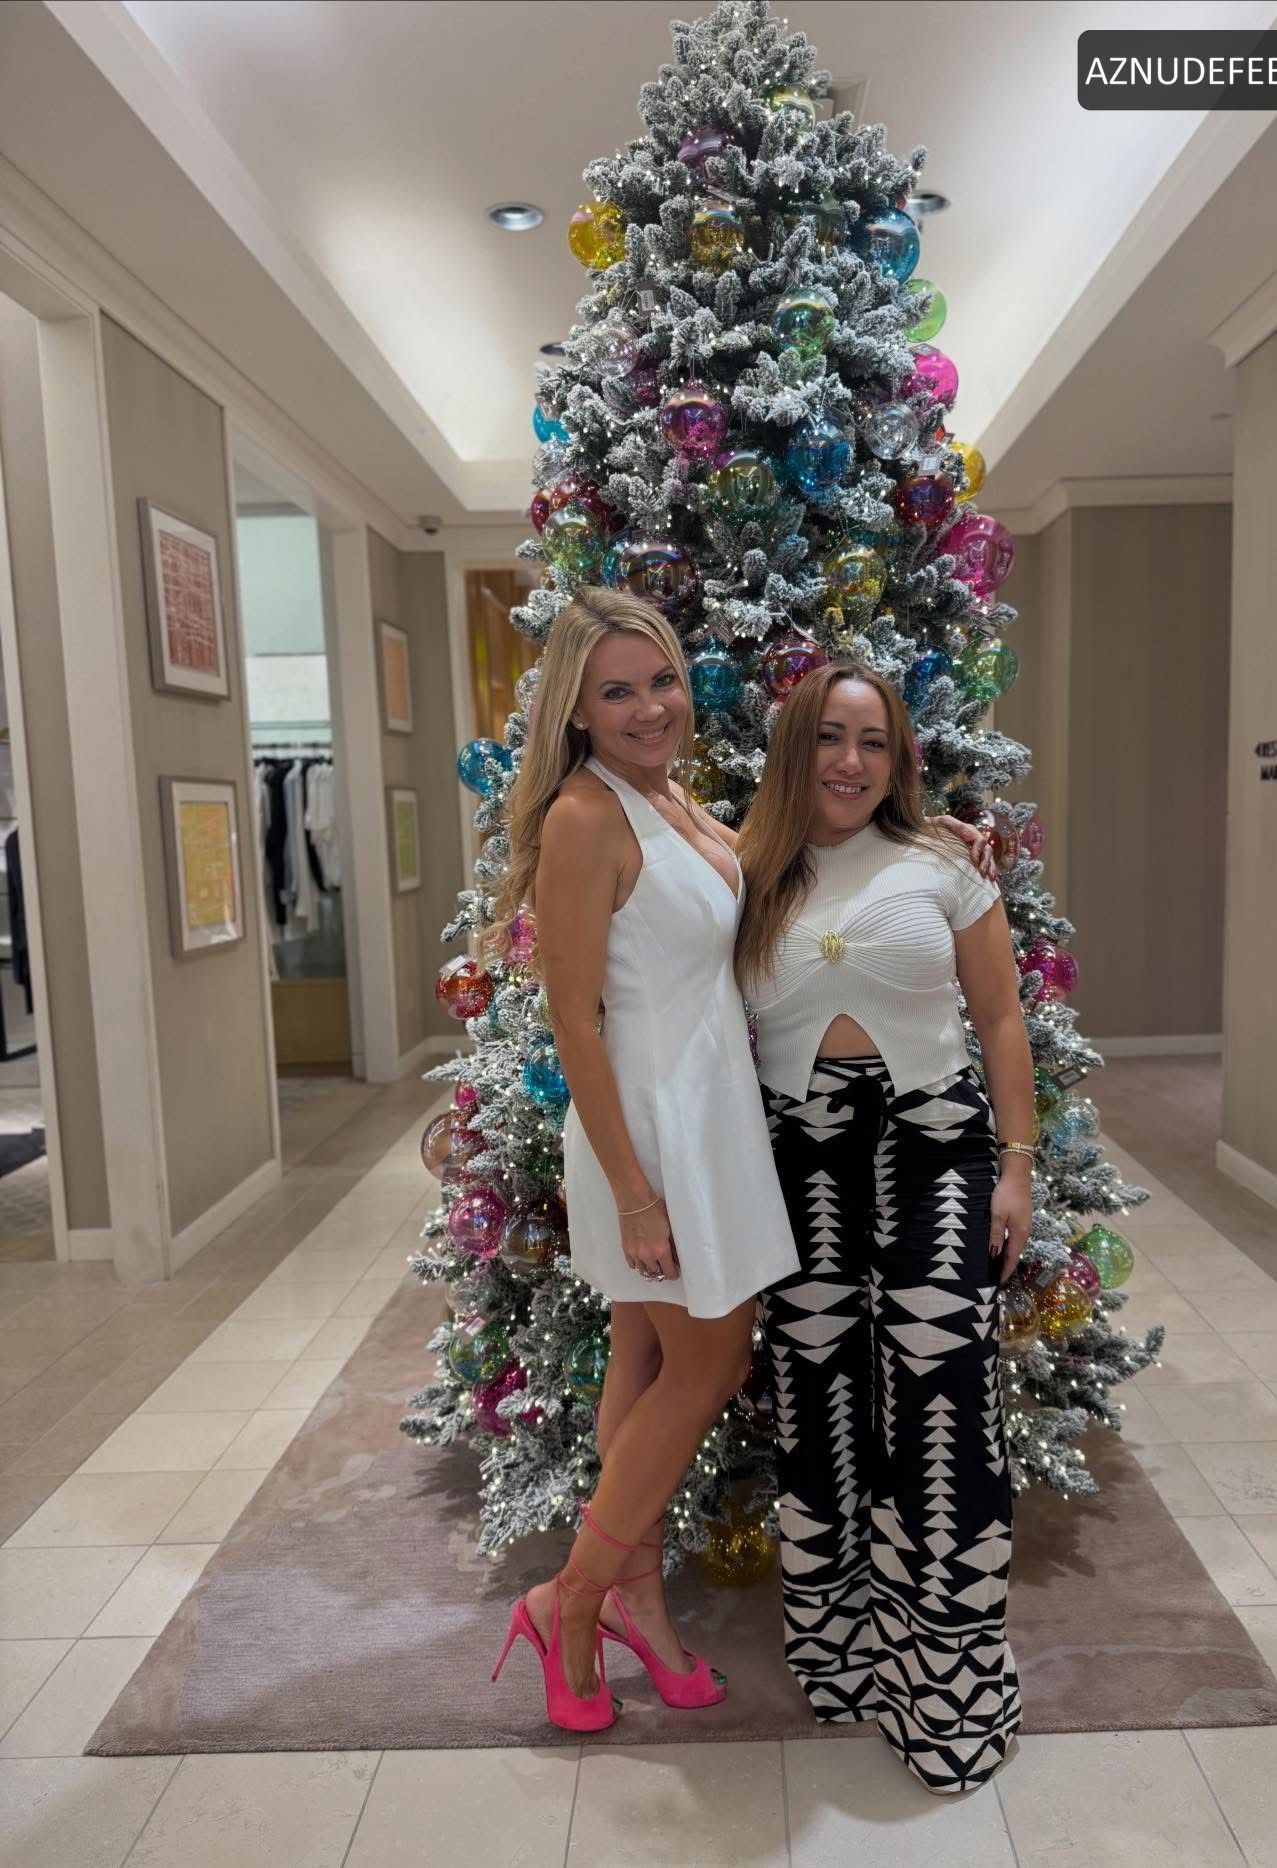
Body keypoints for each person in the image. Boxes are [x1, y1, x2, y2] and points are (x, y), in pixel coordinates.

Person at [491, 587, 800, 1731]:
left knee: (645, 1352)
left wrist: (931, 842)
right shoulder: (586, 814)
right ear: (575, 709)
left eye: (661, 679)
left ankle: (637, 1609)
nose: (649, 706)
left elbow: (749, 877)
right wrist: (633, 1192)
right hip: (654, 1131)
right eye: (616, 691)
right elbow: (574, 1021)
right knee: (711, 1362)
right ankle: (570, 1601)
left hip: (708, 1112)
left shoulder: (666, 793)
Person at [737, 659, 1033, 1796]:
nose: (850, 760)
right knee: (815, 1390)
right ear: (795, 749)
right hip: (797, 1155)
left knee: (941, 1389)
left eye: (872, 739)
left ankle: (951, 1691)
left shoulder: (945, 865)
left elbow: (1000, 1016)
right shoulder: (742, 871)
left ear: (900, 757)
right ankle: (842, 1656)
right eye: (828, 736)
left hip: (935, 1143)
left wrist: (1017, 1165)